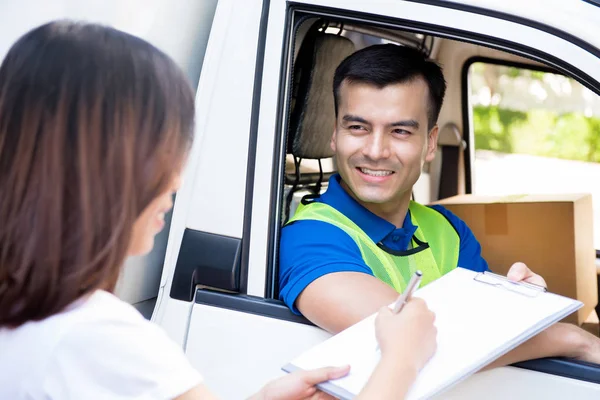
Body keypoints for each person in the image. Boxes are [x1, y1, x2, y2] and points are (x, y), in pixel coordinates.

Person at [0, 21, 439, 400]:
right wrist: (401, 359)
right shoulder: (97, 334)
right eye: (165, 152)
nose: (176, 181)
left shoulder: (35, 317)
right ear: (102, 169)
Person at [279, 43, 600, 365]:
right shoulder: (310, 237)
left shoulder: (448, 228)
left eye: (400, 131)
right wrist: (574, 339)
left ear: (430, 143)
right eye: (358, 127)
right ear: (335, 134)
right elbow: (416, 340)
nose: (376, 150)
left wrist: (521, 306)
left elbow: (481, 330)